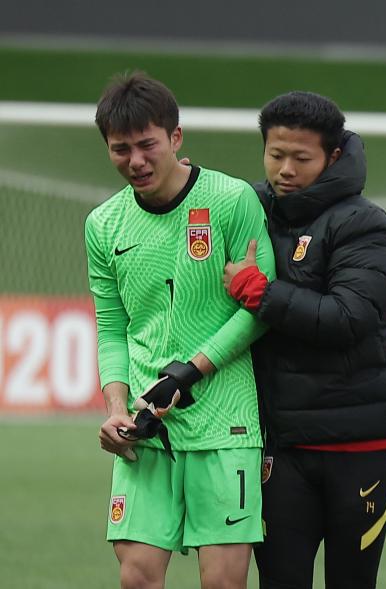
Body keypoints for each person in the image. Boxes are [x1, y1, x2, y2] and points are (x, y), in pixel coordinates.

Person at [86, 72, 275, 588]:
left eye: (147, 145)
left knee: (222, 583)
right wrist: (116, 408)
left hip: (226, 426)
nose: (136, 161)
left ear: (175, 137)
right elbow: (111, 326)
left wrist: (189, 372)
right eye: (121, 149)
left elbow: (261, 309)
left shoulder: (232, 200)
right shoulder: (103, 225)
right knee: (137, 578)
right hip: (147, 425)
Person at [222, 91, 386, 588]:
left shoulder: (366, 224)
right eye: (275, 154)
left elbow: (348, 317)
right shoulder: (249, 211)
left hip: (359, 445)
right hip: (280, 447)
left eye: (301, 158)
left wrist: (259, 293)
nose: (285, 169)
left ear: (333, 156)